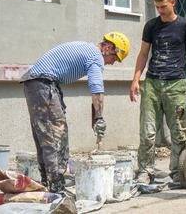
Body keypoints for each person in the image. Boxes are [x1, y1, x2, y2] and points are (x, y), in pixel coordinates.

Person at [20, 32, 130, 193]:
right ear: (108, 48)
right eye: (114, 58)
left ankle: (48, 182)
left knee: (45, 136)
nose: (112, 63)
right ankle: (55, 186)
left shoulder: (87, 49)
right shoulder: (96, 56)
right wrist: (99, 118)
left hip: (38, 83)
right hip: (43, 83)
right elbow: (97, 87)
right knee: (56, 134)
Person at [130, 0, 186, 184]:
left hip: (176, 84)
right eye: (157, 7)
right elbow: (143, 54)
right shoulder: (151, 26)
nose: (160, 10)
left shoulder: (185, 25)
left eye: (163, 6)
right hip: (152, 83)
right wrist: (135, 80)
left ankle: (176, 172)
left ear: (173, 3)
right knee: (147, 132)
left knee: (178, 133)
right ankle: (145, 171)